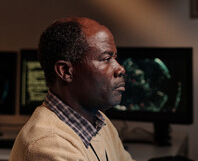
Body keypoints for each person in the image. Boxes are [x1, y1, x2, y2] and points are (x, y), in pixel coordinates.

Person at [9, 17, 134, 161]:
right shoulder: (47, 145)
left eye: (115, 58)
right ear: (65, 71)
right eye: (106, 59)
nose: (120, 69)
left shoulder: (100, 122)